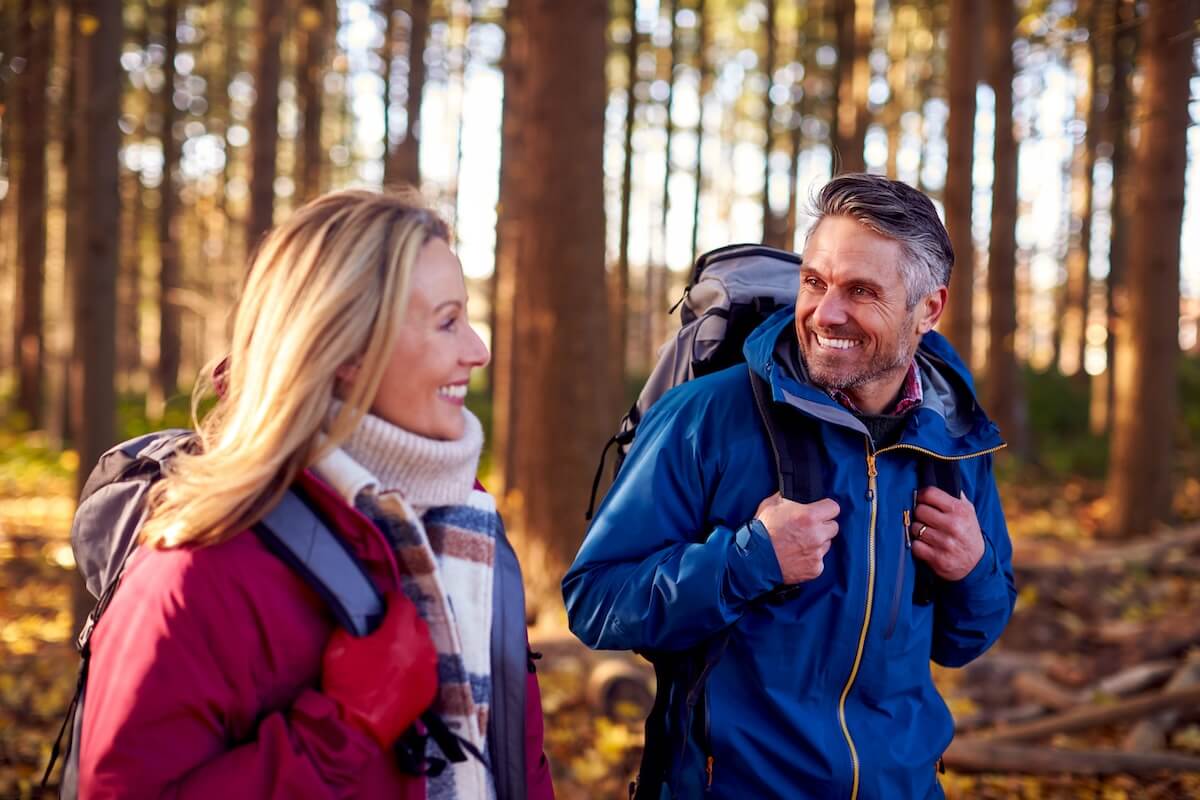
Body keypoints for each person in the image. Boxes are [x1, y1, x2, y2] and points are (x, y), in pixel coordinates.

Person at [79, 189, 555, 800]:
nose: (479, 351)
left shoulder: (467, 526)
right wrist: (344, 732)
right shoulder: (199, 569)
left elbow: (515, 767)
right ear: (349, 349)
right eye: (447, 322)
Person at [563, 173, 1015, 799]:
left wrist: (974, 570)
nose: (826, 313)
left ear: (928, 310)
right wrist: (746, 559)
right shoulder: (705, 418)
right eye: (815, 282)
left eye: (861, 291)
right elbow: (595, 601)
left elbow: (964, 641)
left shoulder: (953, 439)